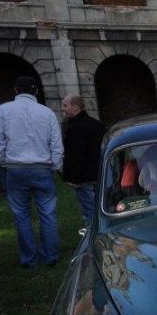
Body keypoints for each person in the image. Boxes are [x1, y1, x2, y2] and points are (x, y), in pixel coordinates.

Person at [0, 76, 63, 268]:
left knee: (21, 215)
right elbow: (56, 144)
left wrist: (4, 161)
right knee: (48, 213)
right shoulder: (47, 112)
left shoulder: (3, 110)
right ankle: (50, 256)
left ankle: (29, 259)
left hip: (16, 168)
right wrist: (55, 166)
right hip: (42, 167)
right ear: (36, 90)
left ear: (16, 90)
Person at [61, 94, 106, 226]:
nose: (64, 109)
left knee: (89, 212)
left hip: (83, 177)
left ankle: (93, 233)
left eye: (65, 105)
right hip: (98, 173)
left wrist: (73, 179)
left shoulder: (75, 128)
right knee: (101, 208)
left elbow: (76, 155)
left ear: (75, 107)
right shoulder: (96, 124)